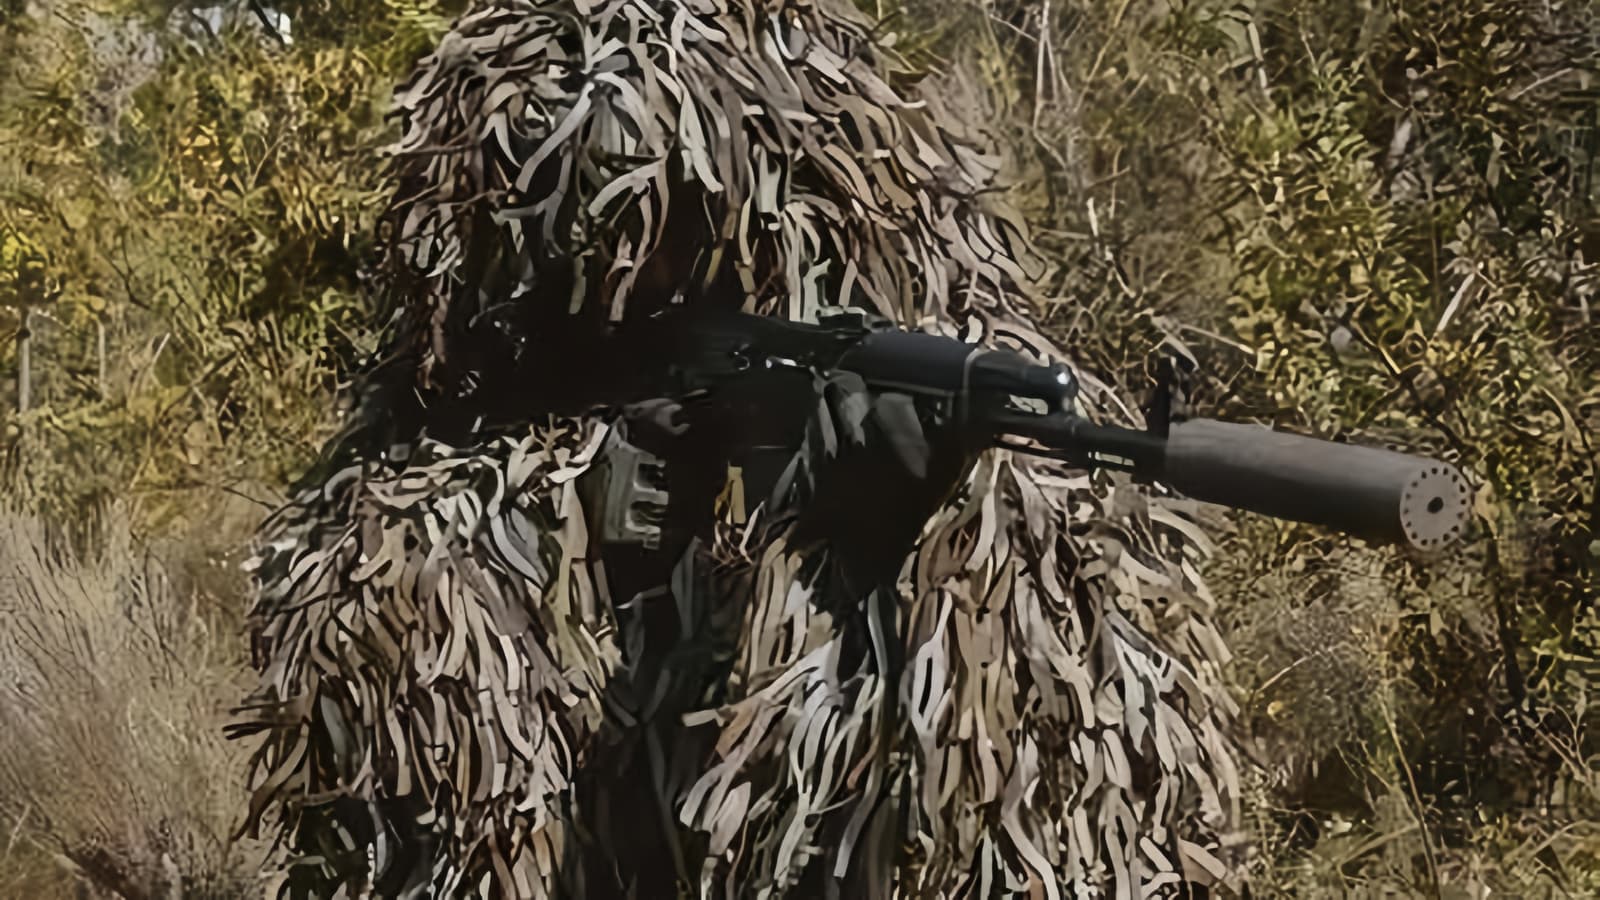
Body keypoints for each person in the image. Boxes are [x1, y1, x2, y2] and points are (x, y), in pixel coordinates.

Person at [233, 1, 1240, 896]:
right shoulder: (471, 434)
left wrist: (856, 542)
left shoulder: (943, 397)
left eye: (674, 234)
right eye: (605, 239)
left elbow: (909, 760)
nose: (637, 269)